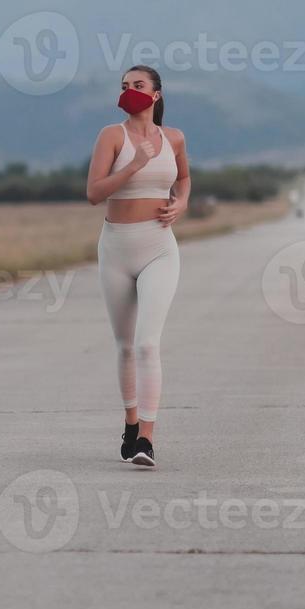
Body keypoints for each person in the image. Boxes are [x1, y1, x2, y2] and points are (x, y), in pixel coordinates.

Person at [84, 66, 190, 467]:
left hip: (159, 247)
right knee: (125, 345)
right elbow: (94, 193)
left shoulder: (173, 138)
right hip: (115, 247)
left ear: (157, 94)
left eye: (138, 86)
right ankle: (130, 424)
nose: (130, 92)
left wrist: (181, 202)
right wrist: (132, 166)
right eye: (125, 86)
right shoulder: (112, 136)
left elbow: (184, 178)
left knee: (148, 344)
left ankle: (146, 437)